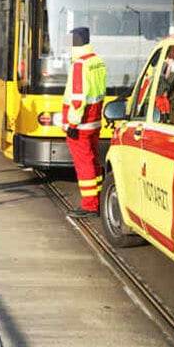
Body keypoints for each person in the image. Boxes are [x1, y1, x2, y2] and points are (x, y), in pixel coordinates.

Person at [62, 26, 107, 217]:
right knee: (94, 159)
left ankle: (89, 205)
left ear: (75, 42)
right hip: (94, 120)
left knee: (84, 163)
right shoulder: (97, 61)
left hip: (80, 123)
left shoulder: (80, 65)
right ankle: (97, 197)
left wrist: (72, 123)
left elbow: (78, 97)